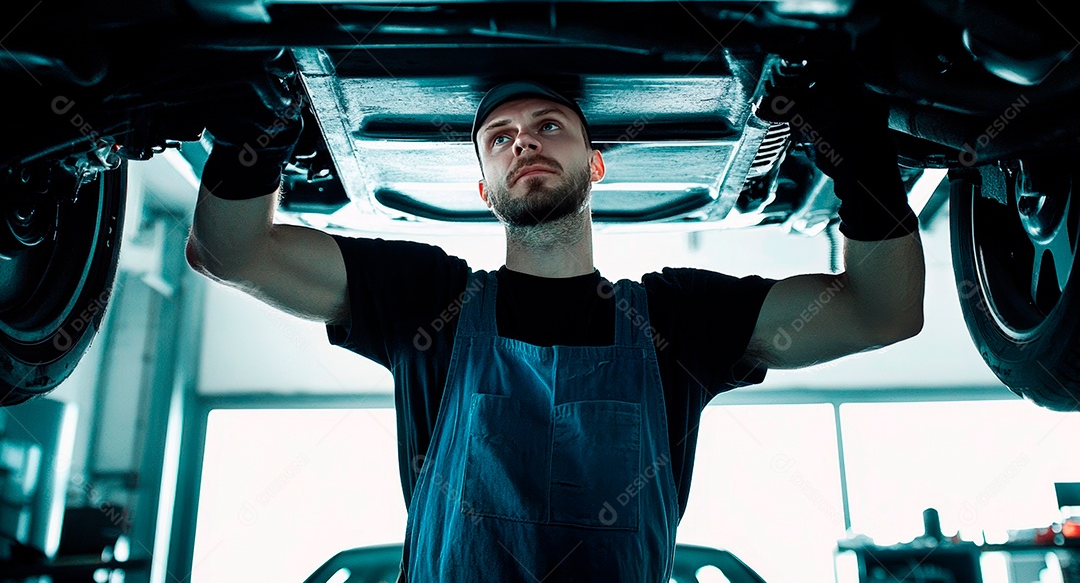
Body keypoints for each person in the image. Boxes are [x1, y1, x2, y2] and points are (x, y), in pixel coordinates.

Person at [186, 66, 925, 583]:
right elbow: (229, 250)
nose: (524, 143)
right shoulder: (421, 300)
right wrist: (261, 130)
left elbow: (882, 310)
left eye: (547, 126)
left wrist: (857, 148)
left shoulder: (681, 320)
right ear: (483, 188)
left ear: (595, 165)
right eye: (500, 138)